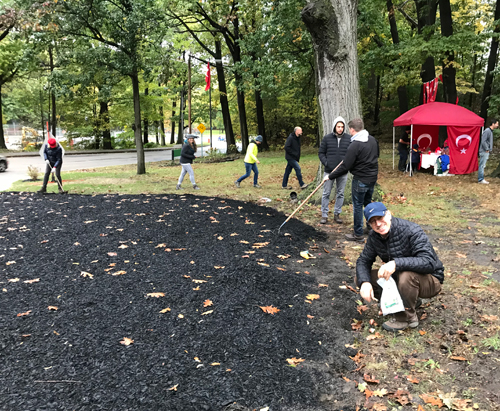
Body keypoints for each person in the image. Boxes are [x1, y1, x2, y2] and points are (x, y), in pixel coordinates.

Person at [355, 202, 444, 331]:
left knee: (406, 276)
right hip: (401, 277)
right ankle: (404, 303)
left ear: (389, 214)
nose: (378, 224)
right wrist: (364, 282)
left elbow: (428, 263)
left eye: (380, 218)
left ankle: (406, 318)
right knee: (363, 278)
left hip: (430, 279)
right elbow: (363, 260)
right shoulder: (374, 237)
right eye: (373, 221)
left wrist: (396, 263)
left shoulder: (411, 230)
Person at [323, 118, 379, 242]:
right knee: (368, 203)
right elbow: (376, 156)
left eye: (349, 129)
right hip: (372, 178)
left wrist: (330, 176)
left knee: (358, 205)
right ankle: (370, 227)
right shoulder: (372, 140)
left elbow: (345, 166)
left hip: (361, 179)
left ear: (352, 129)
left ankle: (358, 234)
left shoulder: (355, 144)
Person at [318, 117, 351, 224]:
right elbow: (321, 153)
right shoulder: (327, 138)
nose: (340, 129)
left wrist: (346, 165)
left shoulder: (348, 139)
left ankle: (337, 214)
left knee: (340, 193)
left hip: (342, 172)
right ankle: (324, 215)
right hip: (329, 171)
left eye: (342, 127)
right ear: (334, 127)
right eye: (338, 126)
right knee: (326, 193)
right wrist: (327, 163)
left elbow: (351, 154)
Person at [478, 118, 498, 184]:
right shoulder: (487, 131)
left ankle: (481, 178)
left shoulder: (490, 131)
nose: (497, 125)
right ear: (493, 124)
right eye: (497, 124)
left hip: (486, 151)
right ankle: (481, 179)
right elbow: (483, 141)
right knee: (482, 165)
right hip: (484, 151)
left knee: (483, 165)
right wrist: (487, 148)